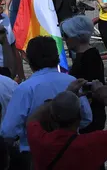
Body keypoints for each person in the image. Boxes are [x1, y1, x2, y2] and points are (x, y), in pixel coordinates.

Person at [1, 36, 93, 166]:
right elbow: (87, 117)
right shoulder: (71, 80)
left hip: (35, 154)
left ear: (29, 59)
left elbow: (8, 130)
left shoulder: (26, 88)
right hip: (70, 149)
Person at [26, 82, 107, 170]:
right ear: (80, 117)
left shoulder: (40, 140)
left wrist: (65, 96)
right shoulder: (91, 142)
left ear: (52, 117)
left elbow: (32, 119)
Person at [62, 17, 106, 135]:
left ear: (75, 36)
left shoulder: (88, 57)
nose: (64, 39)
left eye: (65, 35)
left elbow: (91, 86)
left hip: (90, 115)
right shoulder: (86, 55)